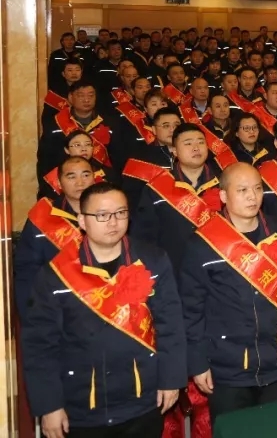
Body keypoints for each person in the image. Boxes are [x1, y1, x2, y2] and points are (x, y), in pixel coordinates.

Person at [23, 183, 185, 438]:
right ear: (82, 221)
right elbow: (40, 346)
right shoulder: (56, 275)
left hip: (142, 398)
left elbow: (171, 326)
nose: (113, 222)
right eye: (102, 215)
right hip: (81, 406)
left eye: (120, 213)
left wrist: (171, 380)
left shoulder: (153, 261)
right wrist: (49, 405)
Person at [180, 162, 277, 427]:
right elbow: (191, 310)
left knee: (276, 429)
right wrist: (198, 362)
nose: (252, 196)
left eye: (258, 188)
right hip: (228, 366)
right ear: (223, 196)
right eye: (242, 190)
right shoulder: (202, 243)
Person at [133, 122, 222, 275]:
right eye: (188, 143)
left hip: (218, 268)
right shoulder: (157, 188)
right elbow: (144, 236)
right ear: (174, 151)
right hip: (173, 269)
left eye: (201, 142)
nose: (196, 148)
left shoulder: (224, 183)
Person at [14, 156, 94, 319]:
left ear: (94, 178)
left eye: (85, 175)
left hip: (103, 307)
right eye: (71, 176)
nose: (80, 182)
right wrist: (30, 316)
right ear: (59, 182)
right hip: (58, 308)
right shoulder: (43, 217)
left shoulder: (110, 213)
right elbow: (27, 271)